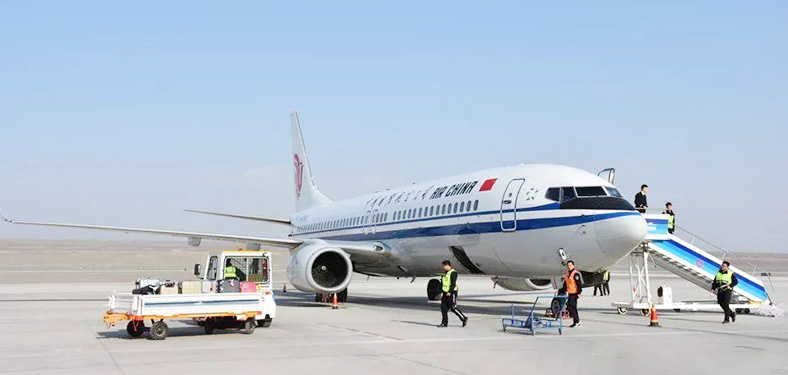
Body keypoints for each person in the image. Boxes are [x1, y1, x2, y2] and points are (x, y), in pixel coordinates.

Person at [437, 260, 468, 328]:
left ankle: (464, 318)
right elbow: (444, 283)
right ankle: (444, 323)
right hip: (445, 293)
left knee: (453, 308)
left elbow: (453, 284)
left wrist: (450, 292)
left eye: (444, 266)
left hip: (451, 293)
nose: (443, 267)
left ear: (448, 265)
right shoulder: (446, 273)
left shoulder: (453, 273)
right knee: (443, 308)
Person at [558, 260, 583, 327]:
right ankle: (576, 321)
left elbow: (579, 284)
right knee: (571, 307)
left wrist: (579, 292)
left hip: (574, 293)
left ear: (573, 266)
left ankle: (577, 321)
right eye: (568, 265)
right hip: (570, 293)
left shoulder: (575, 274)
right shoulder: (568, 274)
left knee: (572, 307)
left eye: (570, 265)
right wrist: (561, 291)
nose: (569, 267)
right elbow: (566, 284)